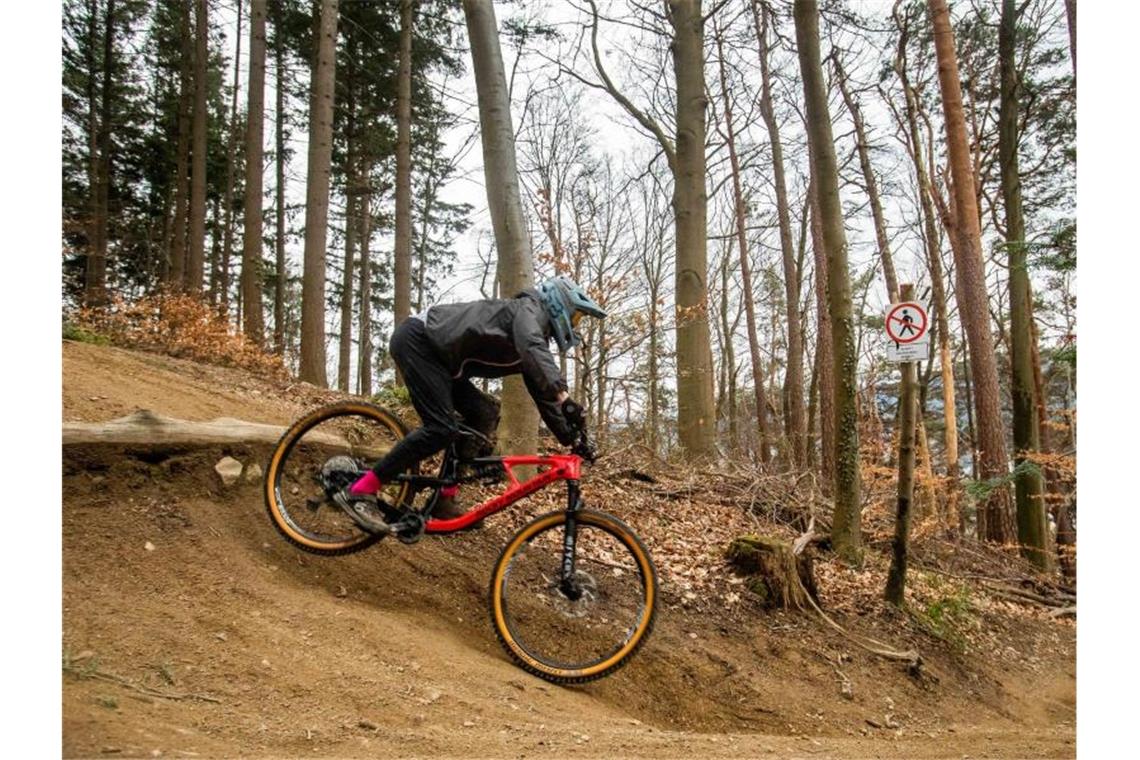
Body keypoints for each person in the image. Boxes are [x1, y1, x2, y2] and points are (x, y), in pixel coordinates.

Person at [336, 275, 606, 533]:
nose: (576, 324)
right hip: (419, 341)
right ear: (559, 304)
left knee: (484, 414)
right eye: (576, 316)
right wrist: (564, 396)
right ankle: (361, 489)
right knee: (441, 428)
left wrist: (572, 438)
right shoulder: (528, 309)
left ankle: (444, 499)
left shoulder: (534, 337)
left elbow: (543, 395)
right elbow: (533, 348)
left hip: (443, 363)